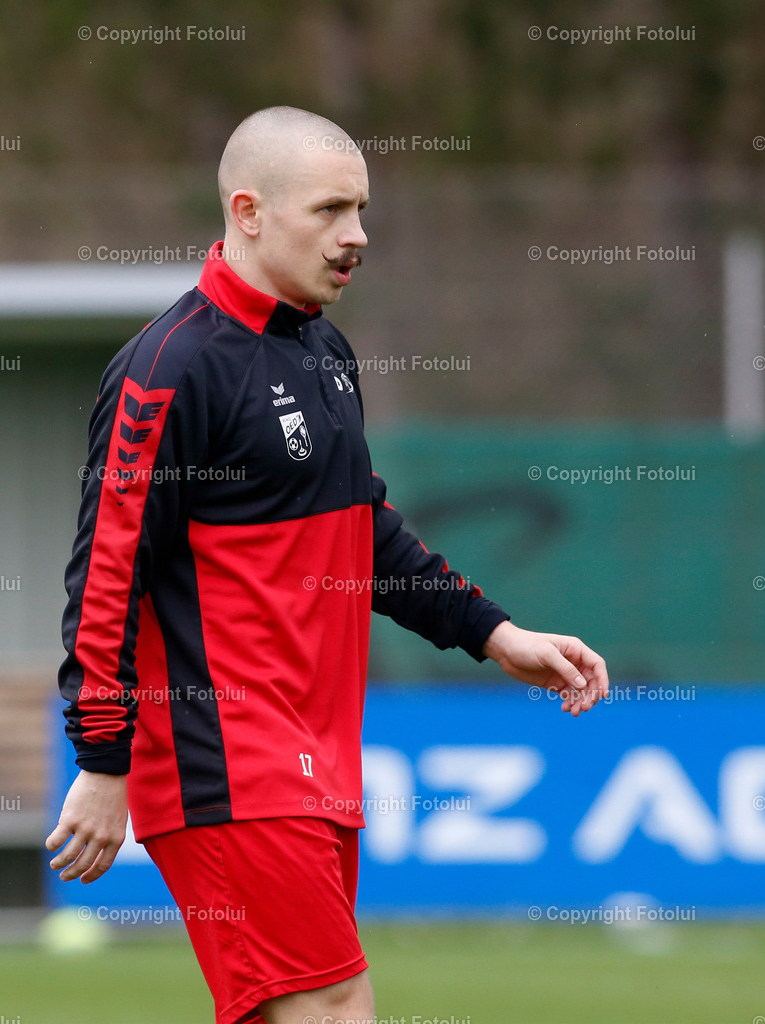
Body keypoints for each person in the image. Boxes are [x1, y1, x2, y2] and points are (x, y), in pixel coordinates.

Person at [46, 106, 609, 1024]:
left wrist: (494, 633)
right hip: (224, 760)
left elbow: (366, 536)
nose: (357, 237)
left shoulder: (323, 350)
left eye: (363, 210)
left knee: (315, 1006)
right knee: (331, 1006)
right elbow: (108, 572)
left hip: (313, 757)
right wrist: (105, 760)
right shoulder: (169, 365)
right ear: (250, 211)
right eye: (332, 211)